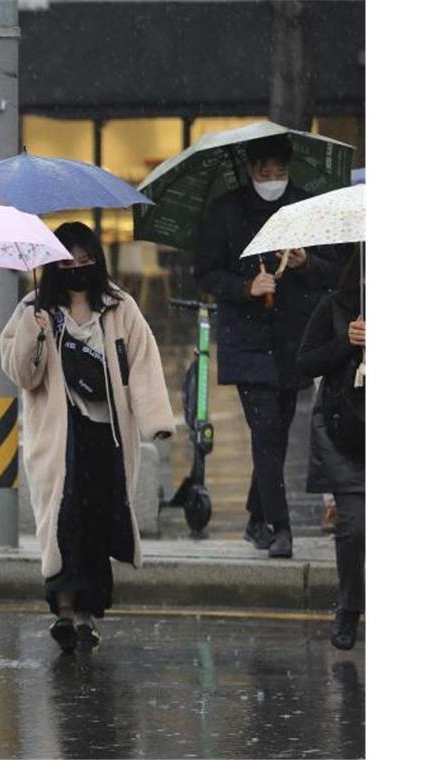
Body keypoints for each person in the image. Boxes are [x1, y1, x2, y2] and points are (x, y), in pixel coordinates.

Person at [0, 222, 174, 653]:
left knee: (98, 520)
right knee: (63, 520)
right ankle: (62, 609)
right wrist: (34, 331)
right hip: (58, 436)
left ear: (96, 262)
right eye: (65, 261)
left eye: (83, 261)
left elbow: (144, 362)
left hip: (107, 435)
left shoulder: (120, 307)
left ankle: (87, 614)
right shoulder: (34, 307)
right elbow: (22, 373)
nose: (75, 268)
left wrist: (156, 421)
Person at [195, 133, 345, 559]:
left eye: (279, 172)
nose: (272, 179)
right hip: (246, 342)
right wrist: (246, 286)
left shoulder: (306, 208)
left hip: (294, 339)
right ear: (250, 171)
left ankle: (255, 516)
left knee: (276, 433)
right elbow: (205, 272)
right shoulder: (226, 211)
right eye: (265, 172)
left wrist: (307, 263)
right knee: (264, 433)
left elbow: (336, 269)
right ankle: (280, 528)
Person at [298, 254, 365, 650]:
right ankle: (350, 608)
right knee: (354, 529)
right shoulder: (335, 305)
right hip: (347, 432)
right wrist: (347, 342)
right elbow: (305, 363)